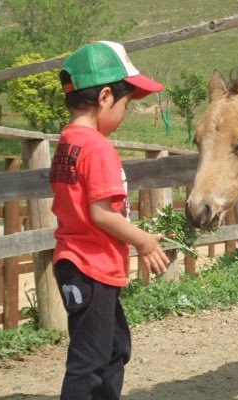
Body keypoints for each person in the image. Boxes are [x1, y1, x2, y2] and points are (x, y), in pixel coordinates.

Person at [49, 40, 170, 400]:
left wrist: (135, 233)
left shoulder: (68, 141)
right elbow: (101, 213)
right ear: (104, 97)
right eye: (125, 105)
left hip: (80, 263)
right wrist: (143, 240)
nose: (124, 115)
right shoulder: (97, 146)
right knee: (89, 361)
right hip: (91, 266)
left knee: (114, 348)